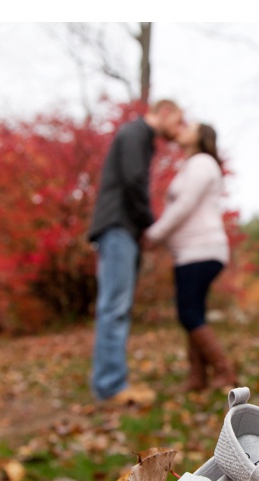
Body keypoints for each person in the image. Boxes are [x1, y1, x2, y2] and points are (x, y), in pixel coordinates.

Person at [88, 99, 184, 405]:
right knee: (114, 307)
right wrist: (150, 224)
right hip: (118, 228)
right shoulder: (137, 133)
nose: (178, 130)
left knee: (113, 307)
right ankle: (112, 386)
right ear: (164, 111)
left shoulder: (137, 135)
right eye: (178, 122)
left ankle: (110, 382)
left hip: (119, 228)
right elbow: (134, 180)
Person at [145, 122, 236, 391]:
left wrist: (154, 234)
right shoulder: (192, 165)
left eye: (190, 126)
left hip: (200, 250)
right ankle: (198, 378)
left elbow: (184, 205)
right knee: (193, 312)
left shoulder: (202, 162)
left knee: (188, 314)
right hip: (190, 252)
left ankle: (224, 372)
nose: (182, 128)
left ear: (201, 136)